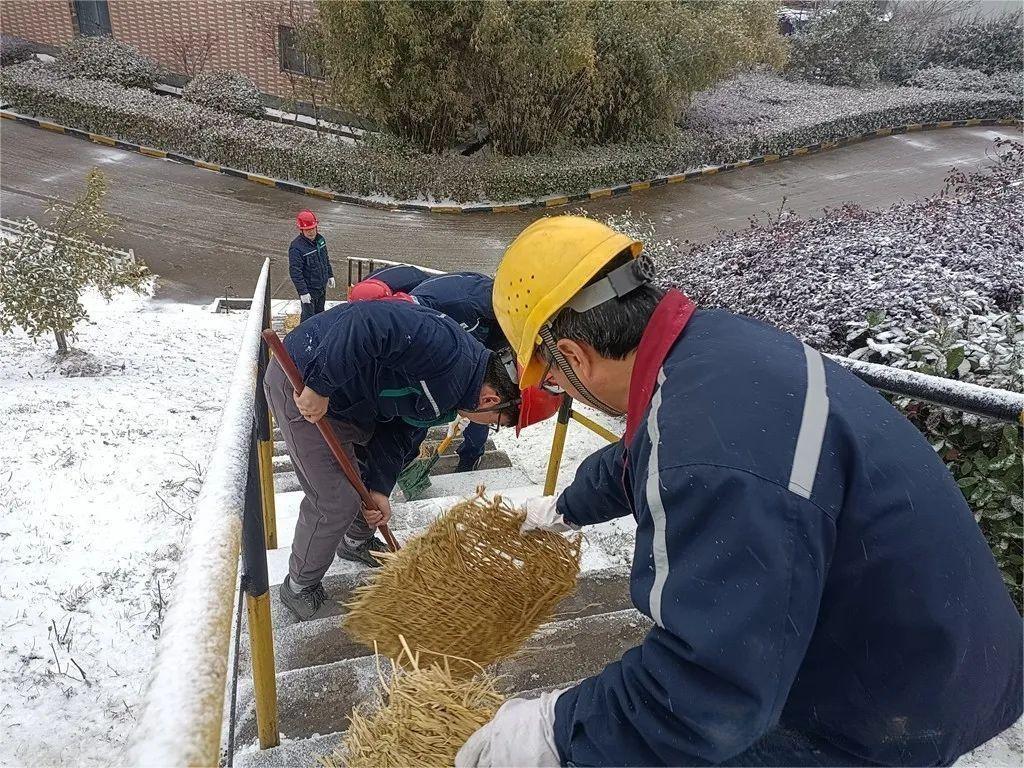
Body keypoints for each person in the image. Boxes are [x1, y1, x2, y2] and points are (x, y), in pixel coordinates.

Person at [456, 216, 1023, 767]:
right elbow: (646, 450)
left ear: (575, 356)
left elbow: (706, 692)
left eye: (552, 377)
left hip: (890, 704)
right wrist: (565, 507)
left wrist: (558, 732)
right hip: (944, 640)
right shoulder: (710, 349)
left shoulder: (707, 449)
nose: (558, 387)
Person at [264, 298, 521, 621]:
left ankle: (355, 541)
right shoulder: (446, 351)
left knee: (367, 485)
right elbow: (367, 322)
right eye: (496, 422)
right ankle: (299, 586)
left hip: (353, 402)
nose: (489, 426)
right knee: (336, 501)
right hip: (303, 382)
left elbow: (402, 430)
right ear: (491, 400)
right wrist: (319, 386)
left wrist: (380, 488)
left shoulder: (459, 389)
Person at [350, 267, 510, 472]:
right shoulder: (381, 300)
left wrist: (459, 402)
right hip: (453, 355)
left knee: (481, 404)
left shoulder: (452, 309)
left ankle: (470, 456)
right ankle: (401, 462)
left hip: (476, 358)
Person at [289, 210, 334, 322]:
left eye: (312, 228)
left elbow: (325, 259)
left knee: (320, 315)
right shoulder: (296, 247)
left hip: (321, 286)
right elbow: (295, 272)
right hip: (309, 289)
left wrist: (330, 275)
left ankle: (319, 332)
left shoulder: (320, 240)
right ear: (301, 230)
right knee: (308, 318)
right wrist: (303, 292)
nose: (311, 232)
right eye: (307, 230)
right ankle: (304, 334)